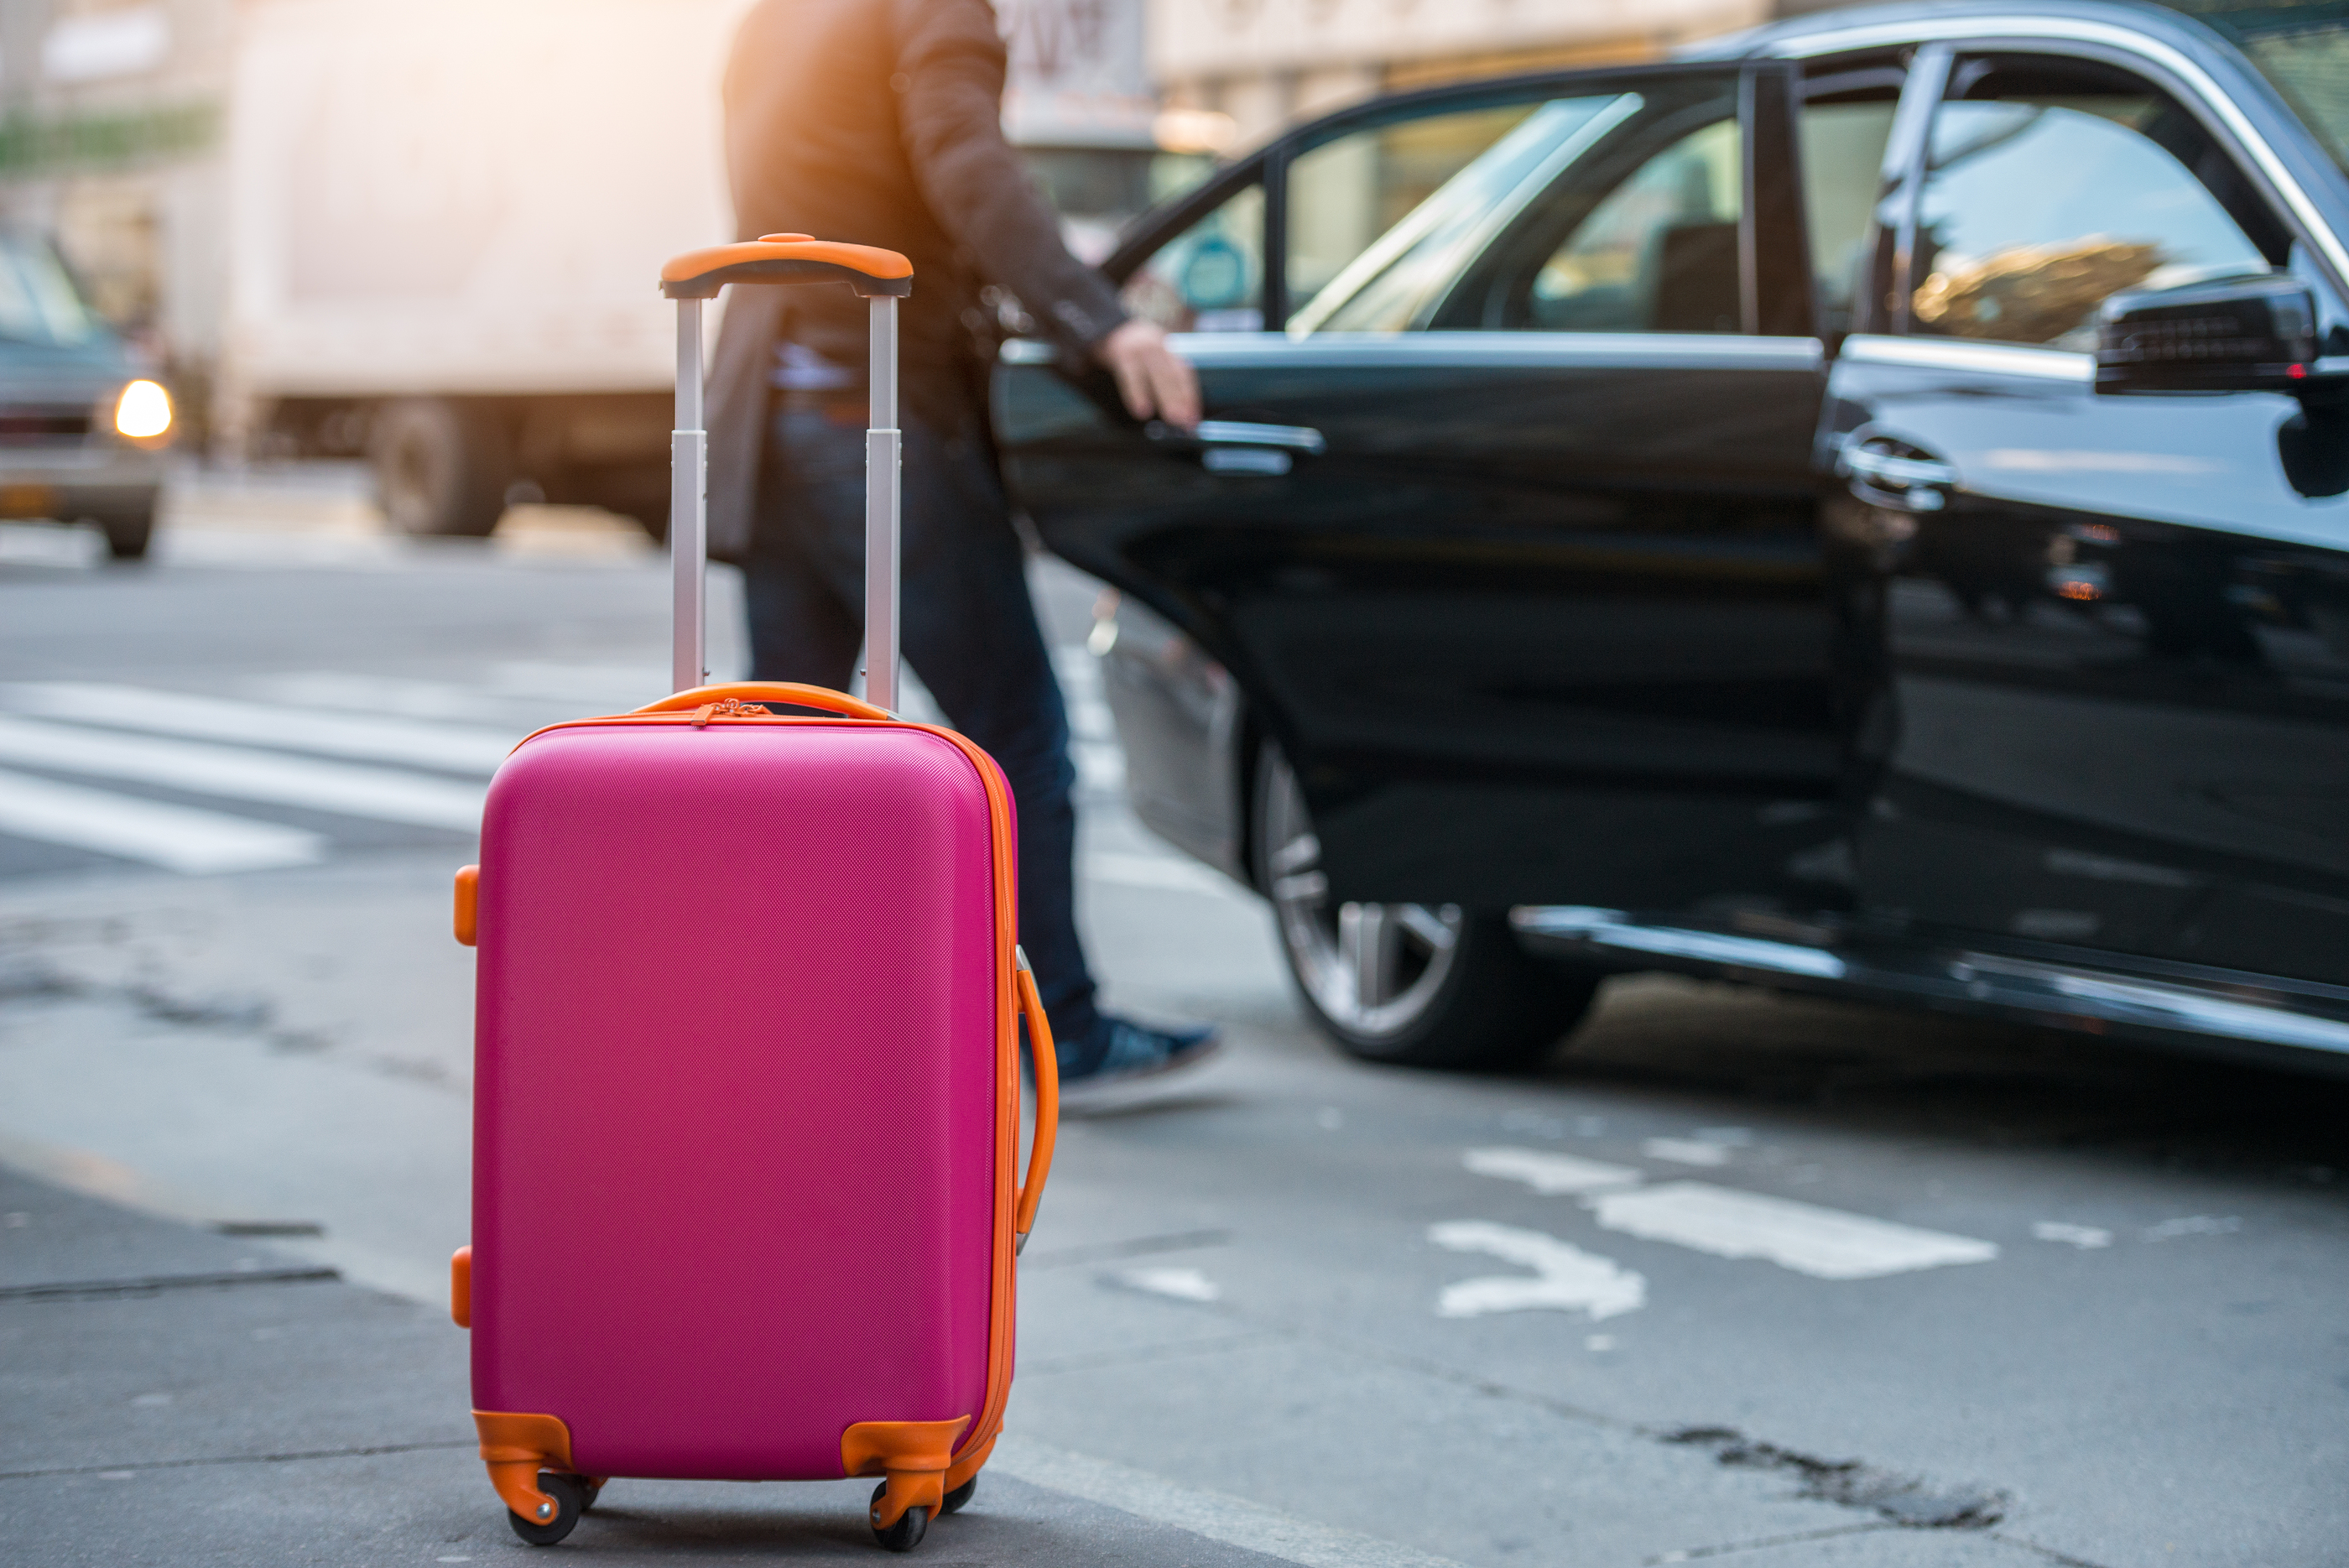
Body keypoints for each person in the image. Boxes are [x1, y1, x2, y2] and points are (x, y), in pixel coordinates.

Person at [706, 0, 1217, 1097]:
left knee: (794, 751)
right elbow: (967, 162)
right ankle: (1058, 1028)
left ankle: (776, 1028)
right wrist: (1101, 319)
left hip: (767, 404)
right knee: (1016, 736)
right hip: (875, 401)